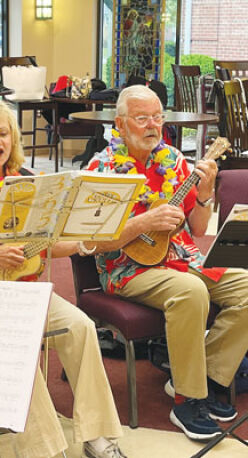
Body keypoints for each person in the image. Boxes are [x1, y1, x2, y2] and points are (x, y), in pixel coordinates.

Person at [0, 99, 126, 458]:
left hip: (25, 291)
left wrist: (84, 240)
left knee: (80, 326)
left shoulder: (32, 186)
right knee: (18, 348)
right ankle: (44, 451)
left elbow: (46, 247)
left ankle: (97, 436)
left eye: (4, 133)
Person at [84, 85, 248, 441]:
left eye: (157, 117)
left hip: (183, 258)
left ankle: (208, 375)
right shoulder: (102, 169)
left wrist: (204, 195)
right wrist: (142, 224)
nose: (152, 126)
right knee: (189, 292)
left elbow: (200, 228)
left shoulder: (174, 160)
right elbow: (93, 243)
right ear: (120, 123)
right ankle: (187, 401)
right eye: (142, 118)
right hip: (127, 268)